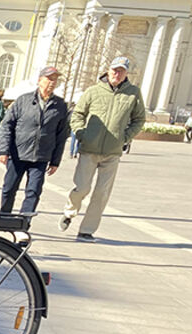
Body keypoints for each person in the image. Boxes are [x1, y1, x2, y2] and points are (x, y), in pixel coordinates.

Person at [61, 56, 146, 241]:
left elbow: (139, 119)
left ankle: (87, 229)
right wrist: (82, 134)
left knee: (102, 193)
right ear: (108, 70)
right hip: (89, 149)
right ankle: (69, 212)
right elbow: (78, 115)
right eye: (115, 69)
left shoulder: (133, 94)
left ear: (126, 74)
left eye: (122, 71)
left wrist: (125, 137)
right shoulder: (93, 91)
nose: (117, 73)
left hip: (112, 152)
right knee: (82, 188)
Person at [0, 66, 70, 215]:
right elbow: (6, 125)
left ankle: (23, 223)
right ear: (39, 80)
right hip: (18, 153)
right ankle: (4, 216)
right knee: (9, 188)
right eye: (49, 78)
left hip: (41, 156)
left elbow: (61, 135)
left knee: (34, 191)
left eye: (55, 79)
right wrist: (3, 150)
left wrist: (55, 161)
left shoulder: (60, 105)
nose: (52, 82)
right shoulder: (23, 100)